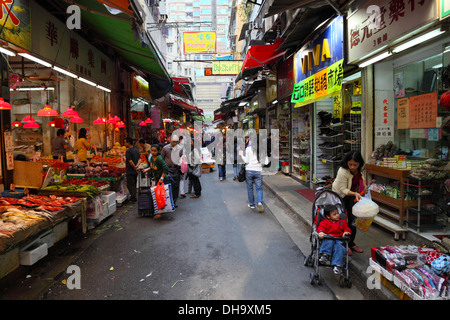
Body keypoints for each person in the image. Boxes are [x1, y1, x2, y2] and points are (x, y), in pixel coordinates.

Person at [332, 150, 367, 256]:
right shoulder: (342, 170)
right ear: (346, 162)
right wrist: (355, 193)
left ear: (359, 164)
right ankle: (342, 244)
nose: (352, 167)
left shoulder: (360, 169)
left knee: (353, 220)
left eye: (355, 165)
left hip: (352, 195)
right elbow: (343, 189)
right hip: (340, 195)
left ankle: (351, 243)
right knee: (341, 220)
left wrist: (364, 187)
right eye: (350, 164)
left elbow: (361, 178)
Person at [317, 205, 352, 275]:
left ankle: (337, 265)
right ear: (328, 216)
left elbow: (347, 228)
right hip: (329, 238)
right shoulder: (325, 222)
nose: (337, 215)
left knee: (340, 247)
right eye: (334, 214)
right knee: (329, 238)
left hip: (339, 240)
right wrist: (321, 232)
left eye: (338, 213)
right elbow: (321, 227)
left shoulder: (342, 222)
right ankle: (325, 254)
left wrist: (346, 232)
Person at [239, 136, 264, 213]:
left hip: (249, 170)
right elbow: (265, 161)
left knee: (250, 188)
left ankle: (252, 204)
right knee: (259, 188)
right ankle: (259, 202)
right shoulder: (262, 150)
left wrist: (242, 155)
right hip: (258, 170)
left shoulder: (248, 149)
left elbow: (246, 161)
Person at [160, 134, 183, 207]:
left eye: (176, 142)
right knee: (168, 186)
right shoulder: (165, 148)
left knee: (176, 186)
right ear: (170, 141)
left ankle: (174, 201)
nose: (175, 143)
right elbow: (162, 159)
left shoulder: (180, 148)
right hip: (168, 169)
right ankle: (168, 202)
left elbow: (182, 157)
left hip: (176, 169)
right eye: (174, 142)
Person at [124, 137, 140, 203]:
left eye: (125, 142)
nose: (124, 143)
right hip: (135, 171)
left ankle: (133, 198)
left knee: (130, 184)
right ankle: (133, 197)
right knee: (134, 183)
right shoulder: (136, 150)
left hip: (130, 170)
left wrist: (134, 167)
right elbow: (140, 159)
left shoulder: (128, 151)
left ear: (128, 143)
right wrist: (137, 166)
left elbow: (130, 161)